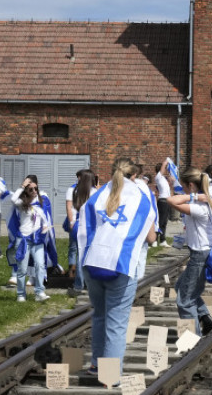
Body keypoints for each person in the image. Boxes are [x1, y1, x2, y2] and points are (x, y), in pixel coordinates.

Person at [78, 157, 157, 376]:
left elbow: (82, 226)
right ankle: (110, 376)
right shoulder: (140, 198)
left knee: (100, 315)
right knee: (117, 323)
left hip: (93, 261)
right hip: (121, 263)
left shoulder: (98, 195)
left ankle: (96, 365)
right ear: (135, 175)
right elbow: (151, 238)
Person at [167, 167, 212, 336]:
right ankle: (205, 318)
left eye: (184, 187)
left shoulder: (199, 207)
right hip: (205, 251)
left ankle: (192, 338)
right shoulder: (209, 201)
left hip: (200, 254)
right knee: (181, 286)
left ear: (190, 185)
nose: (183, 191)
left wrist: (194, 196)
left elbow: (171, 201)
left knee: (185, 300)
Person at [7, 175, 54, 303]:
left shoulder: (40, 201)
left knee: (40, 265)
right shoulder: (21, 203)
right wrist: (22, 186)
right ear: (26, 192)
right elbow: (13, 199)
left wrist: (45, 227)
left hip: (37, 240)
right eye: (31, 189)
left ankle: (39, 292)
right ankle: (21, 294)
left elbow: (44, 218)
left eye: (36, 188)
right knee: (22, 269)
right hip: (24, 240)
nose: (34, 191)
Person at [65, 168, 96, 296]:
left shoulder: (73, 190)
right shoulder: (94, 192)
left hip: (77, 225)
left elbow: (69, 207)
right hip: (89, 225)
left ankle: (78, 285)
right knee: (90, 255)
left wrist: (71, 222)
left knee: (79, 254)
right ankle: (90, 284)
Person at [154, 160, 173, 246]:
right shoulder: (158, 177)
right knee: (160, 221)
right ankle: (155, 240)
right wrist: (166, 162)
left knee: (164, 222)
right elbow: (162, 169)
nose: (165, 170)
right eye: (165, 169)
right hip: (162, 201)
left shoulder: (163, 179)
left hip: (167, 201)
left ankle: (162, 240)